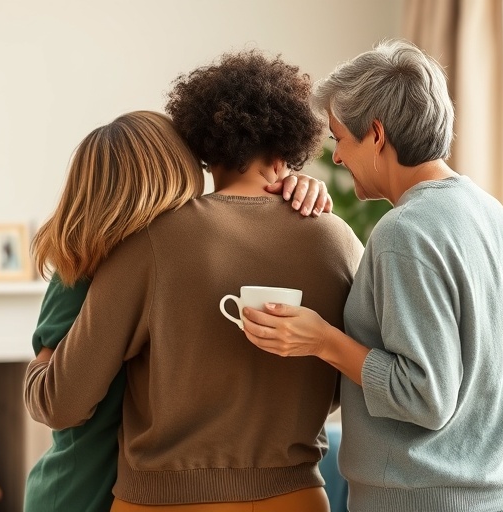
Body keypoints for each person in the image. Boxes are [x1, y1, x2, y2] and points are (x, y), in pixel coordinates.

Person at [25, 51, 363, 512]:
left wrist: (40, 365)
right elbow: (356, 381)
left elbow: (63, 403)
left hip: (164, 501)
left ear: (203, 145)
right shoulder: (337, 240)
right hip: (297, 497)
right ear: (288, 148)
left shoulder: (147, 242)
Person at [240, 40, 503, 512]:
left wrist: (322, 340)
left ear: (375, 135)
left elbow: (424, 395)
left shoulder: (405, 231)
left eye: (339, 139)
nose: (335, 158)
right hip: (495, 498)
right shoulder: (491, 214)